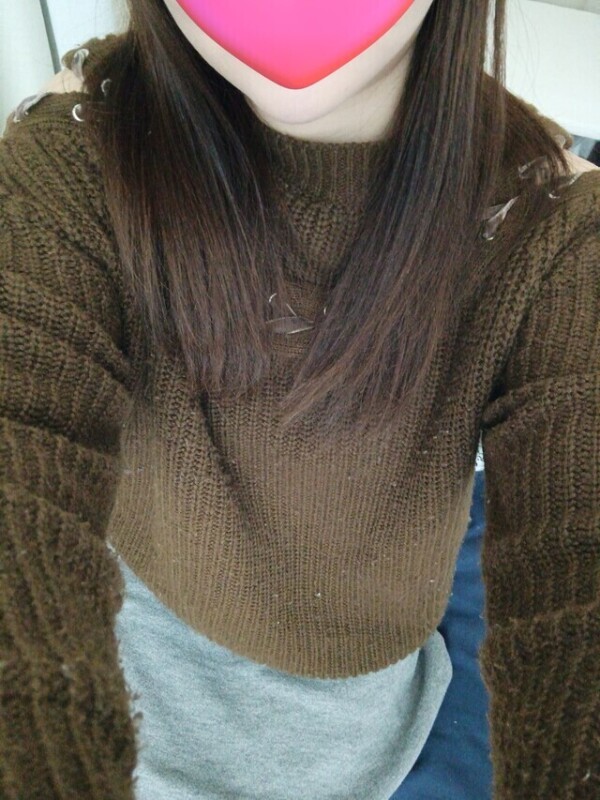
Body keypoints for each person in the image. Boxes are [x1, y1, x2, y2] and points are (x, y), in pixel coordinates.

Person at [0, 1, 598, 798]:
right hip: (125, 640)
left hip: (356, 723)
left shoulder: (556, 232)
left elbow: (577, 563)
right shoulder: (77, 147)